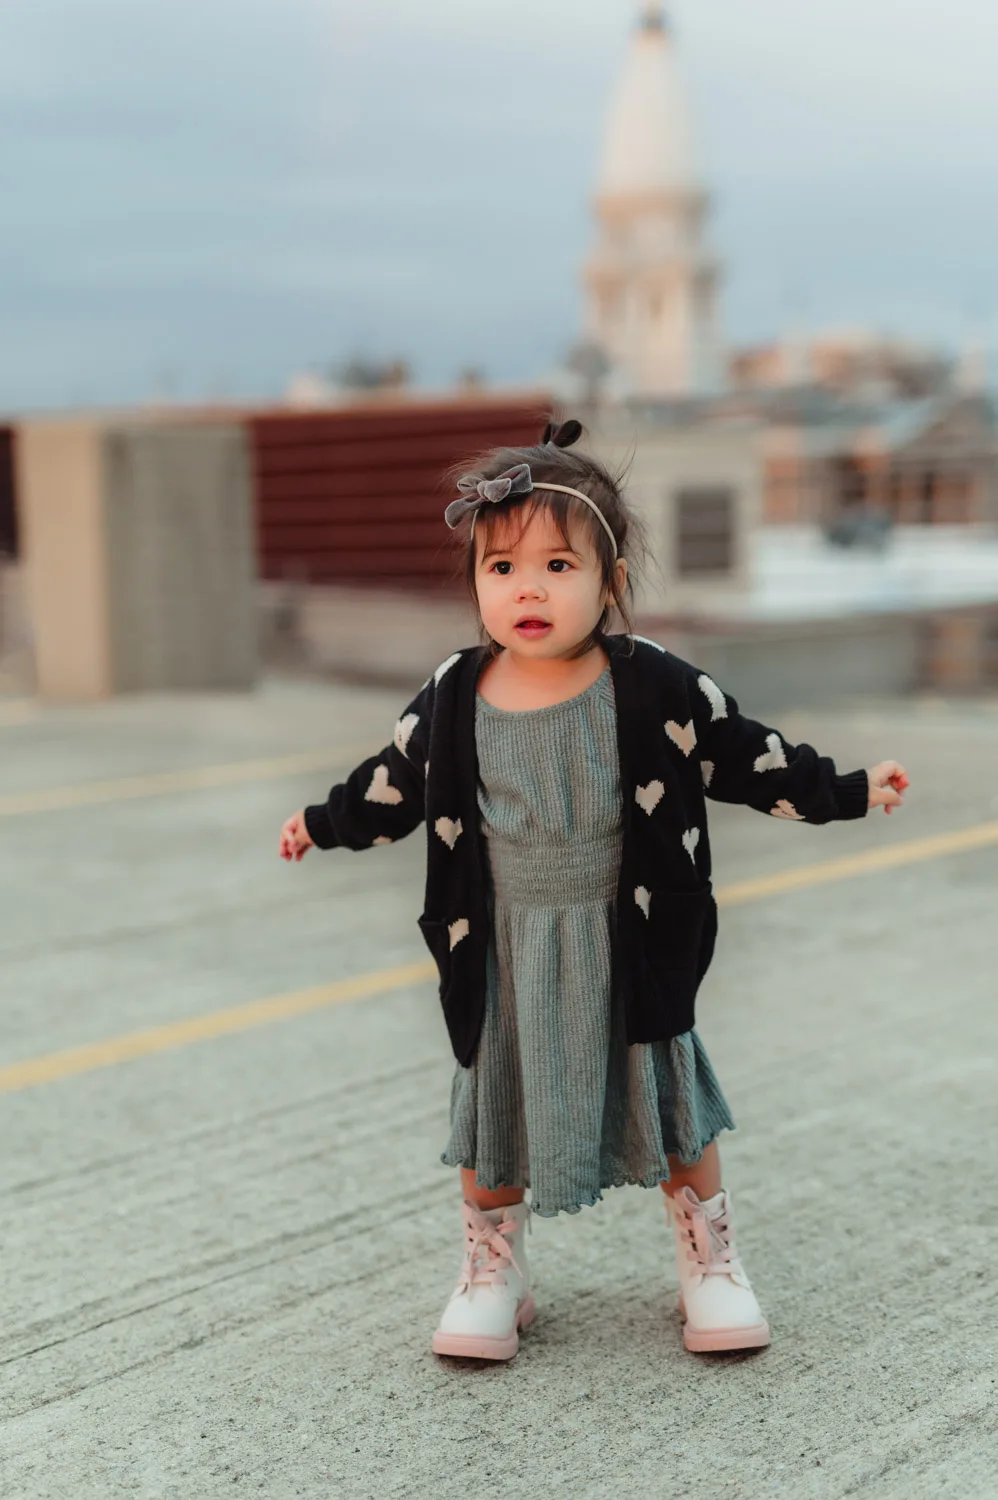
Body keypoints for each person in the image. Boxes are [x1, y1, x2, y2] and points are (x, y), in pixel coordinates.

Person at [279, 419, 909, 1362]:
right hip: (505, 946)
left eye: (559, 565)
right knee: (495, 1111)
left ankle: (710, 1262)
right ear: (477, 587)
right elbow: (391, 782)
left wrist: (850, 791)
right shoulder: (454, 693)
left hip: (632, 937)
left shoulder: (655, 686)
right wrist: (324, 822)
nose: (528, 588)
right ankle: (496, 1267)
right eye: (501, 569)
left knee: (670, 1104)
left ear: (609, 583)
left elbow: (748, 757)